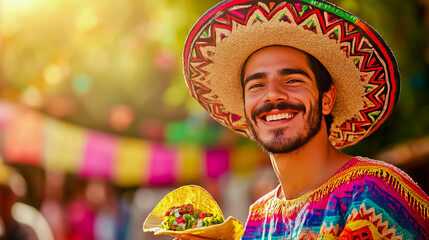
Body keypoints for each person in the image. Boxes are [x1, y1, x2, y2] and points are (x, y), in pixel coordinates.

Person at [181, 0, 429, 239]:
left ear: (327, 99)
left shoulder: (372, 195)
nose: (273, 94)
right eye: (256, 85)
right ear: (246, 112)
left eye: (293, 80)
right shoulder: (258, 218)